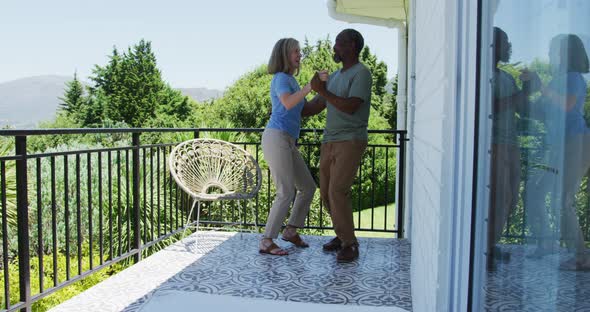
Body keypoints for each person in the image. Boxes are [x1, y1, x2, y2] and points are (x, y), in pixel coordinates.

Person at [303, 29, 372, 262]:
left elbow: (351, 106)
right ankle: (342, 236)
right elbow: (314, 107)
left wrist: (322, 89)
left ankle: (350, 244)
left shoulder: (362, 73)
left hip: (351, 140)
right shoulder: (333, 76)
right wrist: (286, 106)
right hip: (329, 140)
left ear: (352, 45)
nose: (334, 47)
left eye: (339, 43)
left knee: (337, 191)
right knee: (325, 194)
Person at [523, 34, 590, 270]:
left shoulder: (574, 78)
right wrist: (523, 94)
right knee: (536, 190)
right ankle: (547, 241)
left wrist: (540, 86)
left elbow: (567, 105)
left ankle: (582, 257)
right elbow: (542, 111)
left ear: (566, 53)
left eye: (554, 50)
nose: (551, 55)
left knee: (564, 200)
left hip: (576, 143)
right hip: (558, 148)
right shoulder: (556, 80)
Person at [486, 27, 540, 268]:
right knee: (499, 197)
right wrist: (522, 94)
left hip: (511, 143)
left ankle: (490, 244)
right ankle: (485, 248)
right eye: (505, 42)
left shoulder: (506, 77)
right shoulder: (483, 75)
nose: (509, 47)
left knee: (511, 198)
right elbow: (490, 107)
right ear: (493, 45)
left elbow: (522, 111)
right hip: (494, 144)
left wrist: (530, 91)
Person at [258, 38, 317, 256]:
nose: (299, 54)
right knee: (285, 191)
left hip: (288, 140)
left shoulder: (291, 80)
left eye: (299, 51)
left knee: (308, 187)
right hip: (276, 137)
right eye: (295, 51)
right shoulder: (281, 78)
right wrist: (311, 86)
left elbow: (304, 108)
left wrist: (326, 93)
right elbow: (288, 103)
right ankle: (266, 240)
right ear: (284, 54)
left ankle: (291, 230)